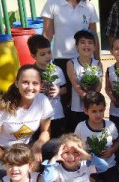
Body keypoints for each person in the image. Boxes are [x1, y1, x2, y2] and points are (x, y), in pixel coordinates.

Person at [0, 65, 54, 182]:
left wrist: (38, 145)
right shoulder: (1, 106)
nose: (30, 87)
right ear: (17, 83)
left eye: (35, 83)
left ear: (41, 85)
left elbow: (46, 132)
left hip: (25, 147)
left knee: (58, 147)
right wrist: (14, 162)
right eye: (25, 82)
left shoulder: (42, 101)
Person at [41, 0, 100, 129]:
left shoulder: (88, 7)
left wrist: (97, 58)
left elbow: (94, 35)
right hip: (61, 60)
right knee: (65, 101)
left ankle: (86, 133)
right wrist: (42, 61)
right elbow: (47, 34)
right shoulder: (53, 4)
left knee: (84, 101)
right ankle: (67, 136)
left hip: (84, 61)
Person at [74, 91, 119, 182]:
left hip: (108, 164)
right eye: (94, 111)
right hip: (90, 166)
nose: (98, 115)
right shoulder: (81, 127)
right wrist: (85, 154)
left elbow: (117, 141)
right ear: (86, 111)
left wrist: (111, 151)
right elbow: (75, 144)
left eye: (101, 110)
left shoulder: (110, 126)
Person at [27, 35, 67, 138]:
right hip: (37, 115)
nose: (47, 56)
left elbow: (65, 89)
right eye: (43, 54)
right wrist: (35, 90)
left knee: (57, 142)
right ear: (33, 56)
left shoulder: (57, 70)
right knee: (40, 141)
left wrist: (58, 90)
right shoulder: (30, 72)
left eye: (49, 52)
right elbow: (24, 92)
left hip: (56, 114)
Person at [67, 30, 103, 132]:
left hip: (93, 108)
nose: (86, 45)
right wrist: (85, 97)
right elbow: (75, 85)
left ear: (95, 47)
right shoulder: (71, 63)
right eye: (82, 42)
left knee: (92, 132)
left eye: (90, 42)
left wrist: (91, 100)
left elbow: (99, 86)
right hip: (77, 107)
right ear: (76, 46)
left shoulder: (98, 64)